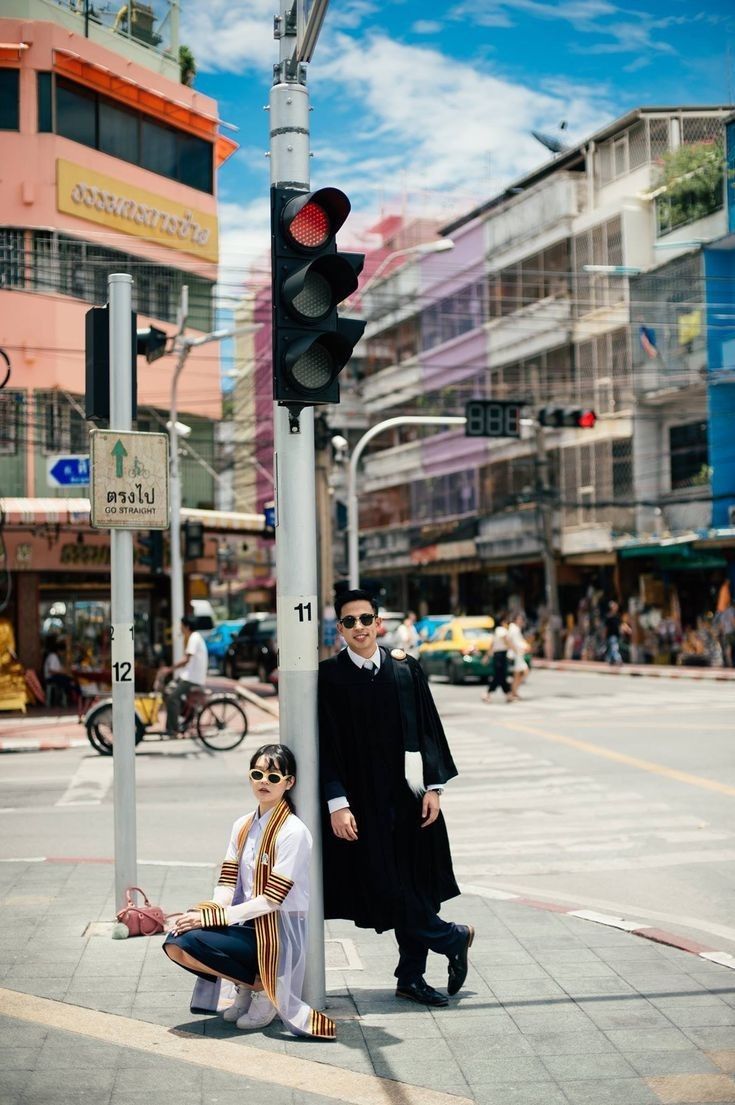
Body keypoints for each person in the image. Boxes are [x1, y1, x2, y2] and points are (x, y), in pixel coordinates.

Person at [318, 589, 473, 1010]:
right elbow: (325, 748)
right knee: (386, 887)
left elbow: (428, 731)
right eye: (349, 622)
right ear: (340, 629)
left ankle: (411, 977)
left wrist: (435, 789)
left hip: (409, 798)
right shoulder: (329, 677)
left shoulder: (405, 669)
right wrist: (337, 803)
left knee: (417, 887)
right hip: (363, 805)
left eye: (365, 619)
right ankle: (452, 938)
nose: (359, 628)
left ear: (378, 621)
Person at [163, 744, 335, 1039]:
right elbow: (228, 882)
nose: (264, 782)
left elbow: (271, 899)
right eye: (258, 774)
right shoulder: (241, 825)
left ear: (289, 782)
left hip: (279, 931)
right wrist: (208, 913)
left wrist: (214, 918)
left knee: (198, 933)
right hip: (246, 924)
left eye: (273, 776)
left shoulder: (293, 832)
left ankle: (267, 993)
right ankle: (247, 985)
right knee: (180, 938)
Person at [160, 615, 208, 734]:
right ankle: (182, 717)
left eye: (181, 626)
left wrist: (169, 669)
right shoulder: (193, 637)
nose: (180, 628)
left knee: (172, 698)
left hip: (193, 679)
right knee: (167, 691)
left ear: (187, 626)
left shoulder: (194, 637)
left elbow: (186, 659)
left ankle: (174, 729)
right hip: (187, 676)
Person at [482, 613, 513, 703]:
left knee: (502, 676)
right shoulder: (501, 630)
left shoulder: (496, 631)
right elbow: (506, 640)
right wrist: (513, 648)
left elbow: (492, 645)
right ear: (503, 622)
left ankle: (508, 695)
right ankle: (487, 693)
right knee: (499, 676)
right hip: (500, 655)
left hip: (498, 655)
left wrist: (487, 656)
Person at [42, 638, 81, 706]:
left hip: (55, 676)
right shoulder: (53, 656)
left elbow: (59, 668)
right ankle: (71, 699)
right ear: (59, 651)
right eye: (63, 652)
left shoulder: (55, 657)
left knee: (71, 680)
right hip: (50, 678)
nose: (63, 654)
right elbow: (51, 671)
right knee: (68, 681)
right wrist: (64, 673)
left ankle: (73, 697)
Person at [507, 613, 530, 701]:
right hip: (516, 655)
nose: (520, 621)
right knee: (522, 673)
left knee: (519, 674)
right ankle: (513, 691)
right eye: (519, 619)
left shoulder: (516, 629)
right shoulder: (513, 629)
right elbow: (511, 641)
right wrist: (520, 648)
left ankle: (514, 691)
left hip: (519, 654)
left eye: (521, 619)